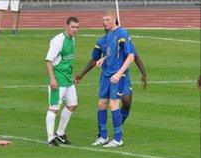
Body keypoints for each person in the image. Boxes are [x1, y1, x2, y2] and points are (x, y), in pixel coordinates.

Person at [75, 26, 147, 134]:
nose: (107, 28)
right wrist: (82, 74)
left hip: (123, 76)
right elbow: (94, 59)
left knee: (127, 102)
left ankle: (117, 126)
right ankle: (102, 133)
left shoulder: (122, 38)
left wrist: (144, 73)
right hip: (107, 77)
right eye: (105, 26)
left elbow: (134, 55)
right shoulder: (101, 42)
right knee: (104, 103)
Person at [88, 10, 134, 147]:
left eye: (107, 20)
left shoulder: (122, 33)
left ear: (114, 19)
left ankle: (118, 138)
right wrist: (103, 58)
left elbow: (130, 56)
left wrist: (119, 73)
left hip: (117, 76)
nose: (105, 22)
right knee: (101, 104)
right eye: (103, 20)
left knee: (114, 104)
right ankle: (103, 136)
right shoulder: (109, 35)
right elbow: (112, 52)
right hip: (107, 74)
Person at [44, 16, 80, 147]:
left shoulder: (73, 40)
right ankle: (50, 138)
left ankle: (60, 133)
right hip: (58, 80)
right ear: (66, 26)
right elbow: (48, 60)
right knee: (54, 108)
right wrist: (52, 79)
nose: (75, 30)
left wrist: (71, 76)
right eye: (72, 27)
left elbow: (67, 60)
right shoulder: (58, 41)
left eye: (77, 27)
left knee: (72, 105)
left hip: (68, 80)